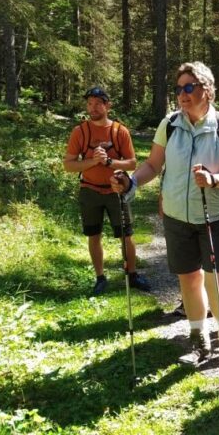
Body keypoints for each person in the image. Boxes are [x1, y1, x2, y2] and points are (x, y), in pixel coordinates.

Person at [111, 62, 219, 367]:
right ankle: (198, 338)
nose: (183, 94)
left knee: (218, 280)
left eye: (190, 87)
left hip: (215, 216)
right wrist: (130, 181)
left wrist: (214, 179)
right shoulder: (170, 124)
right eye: (179, 88)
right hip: (176, 216)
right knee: (188, 279)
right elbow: (152, 165)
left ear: (207, 90)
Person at [63, 86, 150, 294]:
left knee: (126, 235)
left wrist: (109, 161)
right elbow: (68, 165)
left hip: (116, 191)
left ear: (107, 105)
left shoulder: (120, 131)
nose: (92, 108)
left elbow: (131, 164)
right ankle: (100, 277)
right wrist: (93, 161)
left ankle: (132, 274)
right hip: (89, 190)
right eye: (89, 104)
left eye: (98, 103)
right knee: (94, 235)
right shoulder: (80, 132)